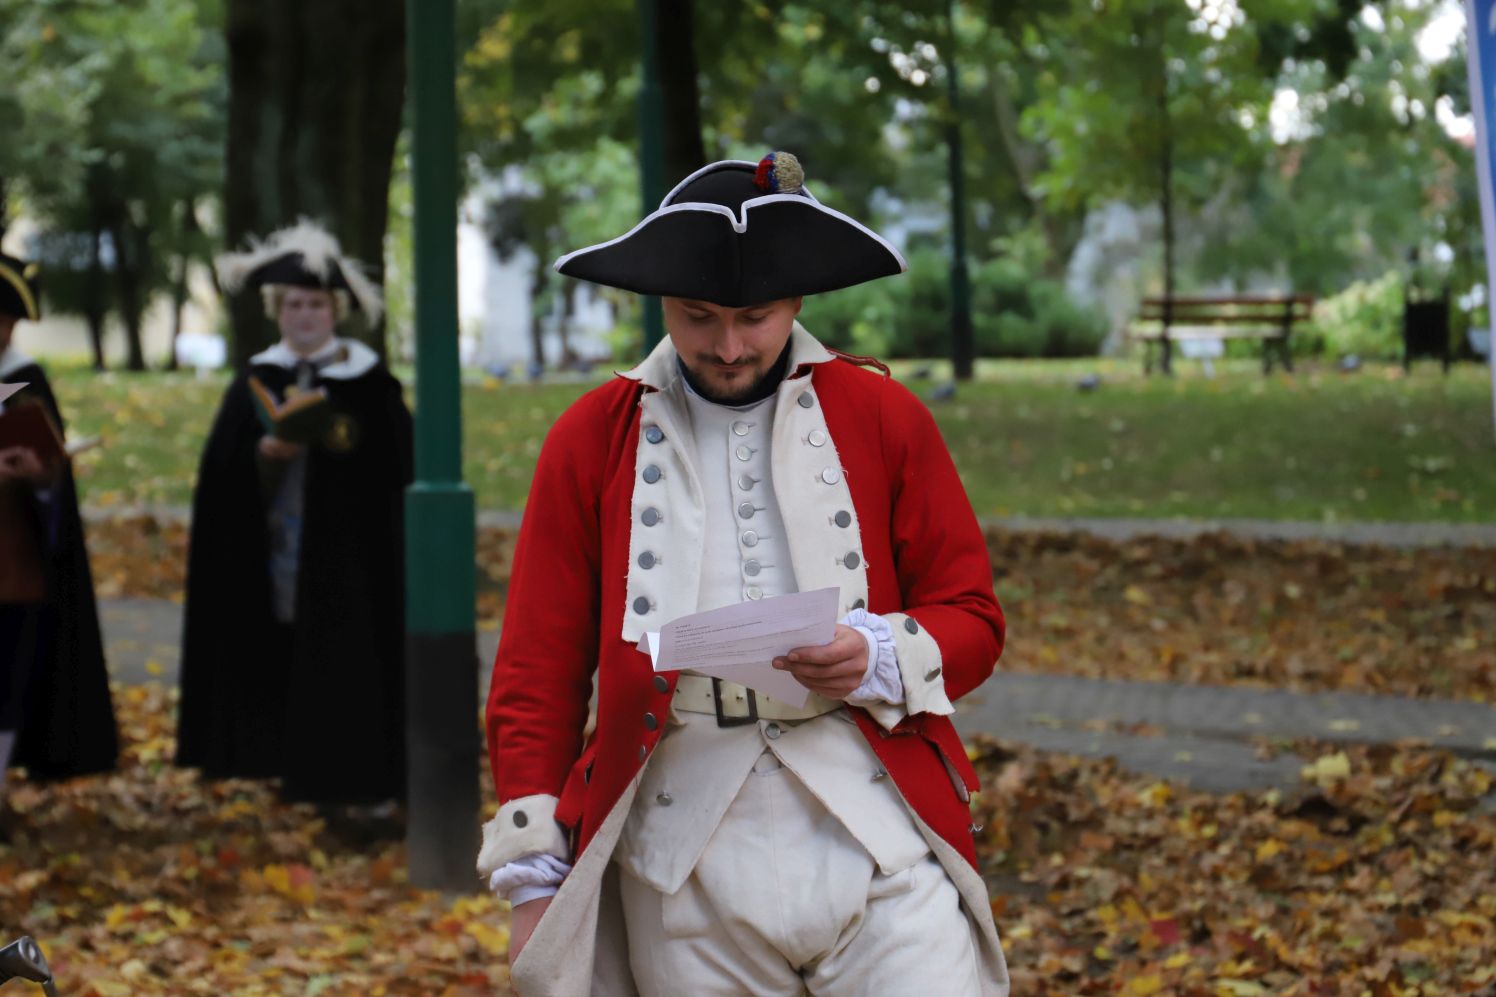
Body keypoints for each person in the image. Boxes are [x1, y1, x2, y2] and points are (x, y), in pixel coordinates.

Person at [479, 153, 1010, 995]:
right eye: (699, 317)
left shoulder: (886, 416)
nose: (728, 346)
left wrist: (876, 650)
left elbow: (974, 618)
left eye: (754, 317)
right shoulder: (591, 437)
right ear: (664, 303)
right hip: (679, 853)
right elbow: (537, 669)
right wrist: (533, 874)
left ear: (797, 301)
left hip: (877, 824)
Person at [175, 221, 412, 823]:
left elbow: (395, 473)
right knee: (280, 649)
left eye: (315, 304)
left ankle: (348, 780)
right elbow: (220, 480)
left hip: (348, 561)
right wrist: (263, 457)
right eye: (294, 305)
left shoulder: (371, 387)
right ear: (278, 312)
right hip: (276, 552)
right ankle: (284, 764)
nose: (304, 315)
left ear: (335, 311)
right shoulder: (257, 379)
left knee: (345, 658)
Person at [0, 251, 117, 797]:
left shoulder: (23, 379)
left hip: (10, 559)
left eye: (5, 323)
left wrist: (41, 473)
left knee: (5, 680)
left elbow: (51, 481)